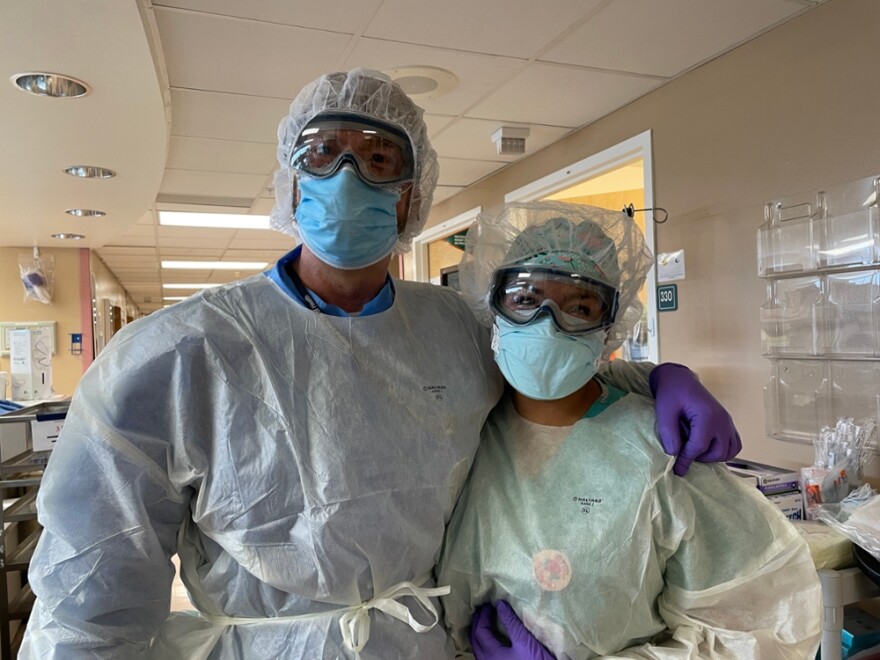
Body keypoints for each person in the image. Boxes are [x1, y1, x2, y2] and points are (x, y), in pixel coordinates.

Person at [21, 69, 740, 659]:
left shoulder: (456, 330)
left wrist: (665, 378)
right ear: (290, 182)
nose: (348, 177)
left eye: (378, 158)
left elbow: (555, 362)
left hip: (420, 643)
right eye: (323, 153)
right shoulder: (178, 354)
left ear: (412, 195)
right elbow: (91, 592)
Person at [437, 201, 822, 659]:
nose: (546, 323)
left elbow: (759, 634)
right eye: (524, 299)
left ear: (610, 328)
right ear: (491, 308)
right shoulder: (462, 429)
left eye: (578, 306)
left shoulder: (662, 452)